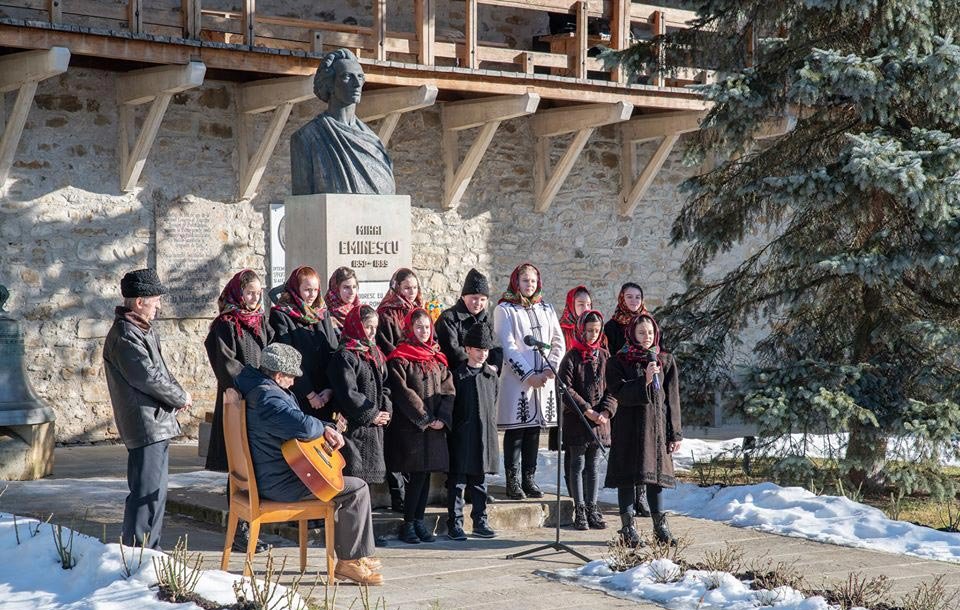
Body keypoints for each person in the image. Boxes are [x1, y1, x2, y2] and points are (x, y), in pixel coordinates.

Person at [236, 343, 382, 585]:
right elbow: (303, 426)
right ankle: (349, 562)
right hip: (280, 483)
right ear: (279, 375)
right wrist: (326, 427)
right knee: (356, 488)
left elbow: (296, 422)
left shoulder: (254, 386)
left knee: (347, 484)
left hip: (272, 474)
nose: (293, 383)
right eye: (292, 378)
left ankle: (357, 555)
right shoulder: (268, 397)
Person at [103, 269, 191, 550]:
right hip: (145, 424)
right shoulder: (126, 335)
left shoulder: (139, 330)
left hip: (155, 423)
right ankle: (139, 555)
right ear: (139, 301)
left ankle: (148, 551)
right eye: (155, 300)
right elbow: (147, 376)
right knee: (146, 494)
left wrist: (180, 395)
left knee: (155, 493)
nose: (159, 306)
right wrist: (179, 397)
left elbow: (160, 371)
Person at [203, 269, 272, 553]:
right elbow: (227, 364)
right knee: (239, 468)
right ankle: (239, 531)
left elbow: (271, 353)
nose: (254, 298)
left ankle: (254, 527)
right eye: (249, 293)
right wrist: (254, 386)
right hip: (238, 402)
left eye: (258, 293)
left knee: (258, 465)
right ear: (238, 293)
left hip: (262, 402)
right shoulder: (226, 324)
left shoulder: (262, 322)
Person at [605, 314, 683, 547]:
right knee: (628, 478)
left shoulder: (665, 360)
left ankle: (660, 527)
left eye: (650, 333)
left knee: (656, 478)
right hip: (629, 428)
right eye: (641, 333)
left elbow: (673, 399)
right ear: (631, 334)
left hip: (656, 429)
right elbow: (618, 392)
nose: (646, 337)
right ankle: (628, 528)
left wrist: (675, 433)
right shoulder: (618, 361)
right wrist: (645, 381)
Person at [494, 263, 565, 500]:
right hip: (517, 381)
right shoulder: (505, 309)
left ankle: (529, 478)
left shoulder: (546, 308)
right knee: (516, 431)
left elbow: (558, 341)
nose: (529, 285)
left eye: (533, 281)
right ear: (516, 282)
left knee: (534, 430)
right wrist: (528, 376)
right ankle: (513, 481)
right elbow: (508, 346)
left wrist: (549, 369)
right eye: (525, 281)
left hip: (544, 379)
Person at [385, 308, 455, 544]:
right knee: (414, 476)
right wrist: (425, 418)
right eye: (418, 327)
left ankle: (419, 521)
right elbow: (404, 393)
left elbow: (448, 390)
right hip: (412, 428)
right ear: (409, 328)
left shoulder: (437, 357)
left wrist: (442, 419)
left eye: (427, 327)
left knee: (425, 477)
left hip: (434, 429)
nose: (423, 332)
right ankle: (408, 523)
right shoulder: (400, 357)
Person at [290, 48, 395, 195]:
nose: (357, 84)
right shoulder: (307, 138)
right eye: (347, 76)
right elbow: (303, 204)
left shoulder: (373, 142)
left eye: (360, 77)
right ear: (330, 84)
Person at [557, 310, 616, 531]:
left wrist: (606, 412)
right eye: (589, 330)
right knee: (577, 463)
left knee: (594, 466)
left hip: (600, 422)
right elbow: (565, 388)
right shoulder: (571, 357)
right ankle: (579, 507)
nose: (592, 334)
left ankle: (592, 506)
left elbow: (613, 388)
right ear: (581, 330)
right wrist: (586, 409)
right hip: (578, 422)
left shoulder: (604, 356)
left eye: (596, 331)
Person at [446, 323, 500, 541]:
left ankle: (480, 520)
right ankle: (455, 523)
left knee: (479, 482)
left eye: (486, 350)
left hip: (484, 436)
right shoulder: (458, 375)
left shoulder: (491, 376)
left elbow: (493, 402)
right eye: (478, 350)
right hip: (462, 436)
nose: (482, 354)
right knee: (457, 483)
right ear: (467, 349)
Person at [327, 305, 392, 486]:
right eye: (368, 326)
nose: (372, 332)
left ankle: (365, 515)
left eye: (375, 327)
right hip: (352, 428)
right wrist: (372, 414)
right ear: (357, 325)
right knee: (354, 478)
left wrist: (384, 413)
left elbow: (385, 386)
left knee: (368, 484)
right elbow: (347, 392)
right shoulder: (344, 356)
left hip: (374, 429)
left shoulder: (375, 353)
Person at [376, 267, 423, 510]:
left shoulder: (420, 311)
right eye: (406, 288)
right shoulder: (386, 313)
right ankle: (399, 495)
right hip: (396, 378)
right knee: (396, 440)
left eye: (414, 288)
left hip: (418, 380)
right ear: (396, 287)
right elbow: (386, 346)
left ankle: (412, 493)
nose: (411, 292)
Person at [603, 281, 651, 516]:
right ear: (622, 298)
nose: (634, 301)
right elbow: (609, 357)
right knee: (628, 445)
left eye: (637, 297)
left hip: (645, 389)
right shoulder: (612, 327)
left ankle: (641, 497)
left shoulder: (648, 323)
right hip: (623, 388)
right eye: (629, 297)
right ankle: (628, 500)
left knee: (643, 446)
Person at [270, 266, 339, 421]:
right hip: (299, 394)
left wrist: (329, 388)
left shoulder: (321, 313)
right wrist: (309, 393)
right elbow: (287, 357)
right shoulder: (281, 315)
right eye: (307, 289)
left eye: (315, 290)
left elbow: (333, 351)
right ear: (296, 288)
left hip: (325, 394)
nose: (312, 295)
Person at [436, 267, 503, 373]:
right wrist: (478, 367)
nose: (478, 303)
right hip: (458, 379)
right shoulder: (448, 319)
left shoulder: (486, 320)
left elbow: (495, 347)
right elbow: (453, 352)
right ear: (463, 296)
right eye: (474, 298)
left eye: (482, 299)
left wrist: (494, 367)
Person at [325, 266, 361, 340]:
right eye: (346, 287)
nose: (351, 292)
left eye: (354, 287)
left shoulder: (359, 312)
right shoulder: (326, 315)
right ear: (336, 288)